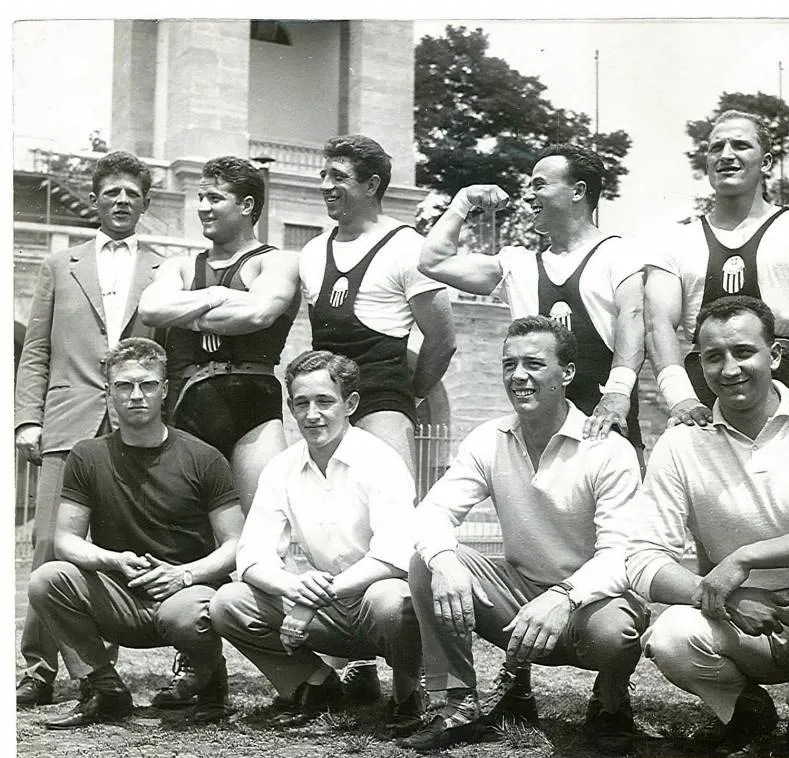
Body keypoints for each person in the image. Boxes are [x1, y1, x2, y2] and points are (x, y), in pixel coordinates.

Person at [642, 109, 789, 730]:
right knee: (717, 530)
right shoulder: (676, 235)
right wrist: (678, 393)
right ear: (704, 160)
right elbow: (658, 320)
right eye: (716, 146)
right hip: (705, 387)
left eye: (743, 145)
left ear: (767, 157)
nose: (728, 154)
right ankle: (741, 689)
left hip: (778, 385)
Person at [625, 296, 789, 758]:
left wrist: (743, 559)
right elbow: (641, 559)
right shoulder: (683, 441)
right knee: (670, 636)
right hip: (741, 625)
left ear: (777, 354)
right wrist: (726, 596)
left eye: (744, 352)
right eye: (713, 356)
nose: (729, 369)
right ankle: (748, 714)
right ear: (698, 363)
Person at [398, 316, 646, 755]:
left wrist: (563, 596)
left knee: (617, 631)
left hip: (588, 606)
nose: (518, 376)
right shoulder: (488, 439)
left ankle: (610, 703)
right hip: (517, 599)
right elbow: (432, 511)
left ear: (566, 373)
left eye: (533, 363)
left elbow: (618, 557)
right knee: (426, 560)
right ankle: (458, 702)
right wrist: (444, 560)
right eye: (509, 364)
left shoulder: (607, 450)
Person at [26, 338, 244, 729]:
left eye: (147, 385)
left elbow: (234, 544)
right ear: (109, 392)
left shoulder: (204, 457)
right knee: (47, 579)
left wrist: (185, 574)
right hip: (120, 594)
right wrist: (113, 561)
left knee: (187, 614)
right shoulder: (87, 455)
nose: (136, 395)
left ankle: (210, 683)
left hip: (184, 594)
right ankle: (103, 689)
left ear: (165, 390)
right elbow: (66, 540)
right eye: (124, 386)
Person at [14, 150, 164, 708]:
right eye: (111, 193)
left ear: (145, 204)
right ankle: (38, 667)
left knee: (116, 548)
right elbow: (36, 349)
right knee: (51, 542)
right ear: (96, 201)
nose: (121, 201)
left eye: (132, 194)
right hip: (68, 419)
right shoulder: (60, 265)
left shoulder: (162, 270)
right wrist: (29, 418)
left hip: (132, 426)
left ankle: (100, 670)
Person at [209, 350, 423, 732]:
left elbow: (394, 557)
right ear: (290, 407)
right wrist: (293, 587)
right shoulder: (282, 467)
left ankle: (407, 695)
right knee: (229, 603)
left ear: (350, 403)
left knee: (391, 599)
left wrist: (310, 602)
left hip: (374, 601)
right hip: (328, 605)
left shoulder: (380, 460)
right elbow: (252, 556)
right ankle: (317, 686)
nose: (312, 414)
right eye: (301, 403)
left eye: (325, 401)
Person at [418, 143, 646, 457]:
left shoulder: (619, 253)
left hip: (605, 429)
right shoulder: (518, 265)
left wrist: (618, 394)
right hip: (538, 441)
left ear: (578, 191)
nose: (528, 196)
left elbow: (632, 320)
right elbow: (433, 262)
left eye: (540, 185)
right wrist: (463, 201)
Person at [139, 155, 300, 513]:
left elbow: (259, 312)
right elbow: (151, 309)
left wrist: (186, 312)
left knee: (264, 527)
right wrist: (217, 296)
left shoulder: (276, 262)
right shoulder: (178, 265)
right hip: (188, 406)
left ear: (246, 205)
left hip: (253, 412)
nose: (202, 208)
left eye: (214, 198)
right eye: (200, 198)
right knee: (184, 529)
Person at [300, 134, 457, 472]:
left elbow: (443, 340)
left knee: (393, 505)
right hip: (327, 402)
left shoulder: (409, 248)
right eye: (323, 176)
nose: (326, 185)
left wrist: (409, 396)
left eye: (338, 177)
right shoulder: (312, 252)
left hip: (382, 401)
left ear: (371, 185)